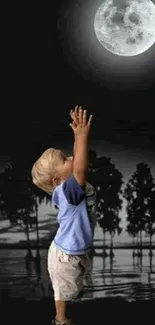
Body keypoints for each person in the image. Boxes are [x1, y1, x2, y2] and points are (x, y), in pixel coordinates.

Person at [31, 106, 96, 325]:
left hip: (68, 248)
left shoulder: (65, 188)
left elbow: (76, 163)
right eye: (64, 160)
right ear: (57, 181)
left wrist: (77, 138)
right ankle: (60, 320)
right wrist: (81, 135)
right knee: (63, 289)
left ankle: (64, 312)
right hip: (65, 254)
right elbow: (79, 169)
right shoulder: (69, 190)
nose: (71, 157)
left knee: (71, 285)